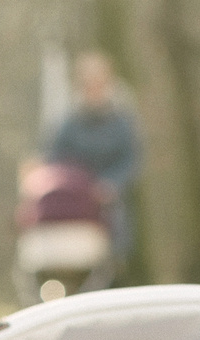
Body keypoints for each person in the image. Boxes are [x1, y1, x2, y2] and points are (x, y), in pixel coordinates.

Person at [44, 52, 141, 271]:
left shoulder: (121, 121)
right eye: (88, 84)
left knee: (116, 225)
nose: (93, 90)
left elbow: (131, 159)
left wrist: (112, 184)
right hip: (75, 197)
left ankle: (116, 267)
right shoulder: (69, 123)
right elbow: (55, 159)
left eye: (98, 83)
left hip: (109, 200)